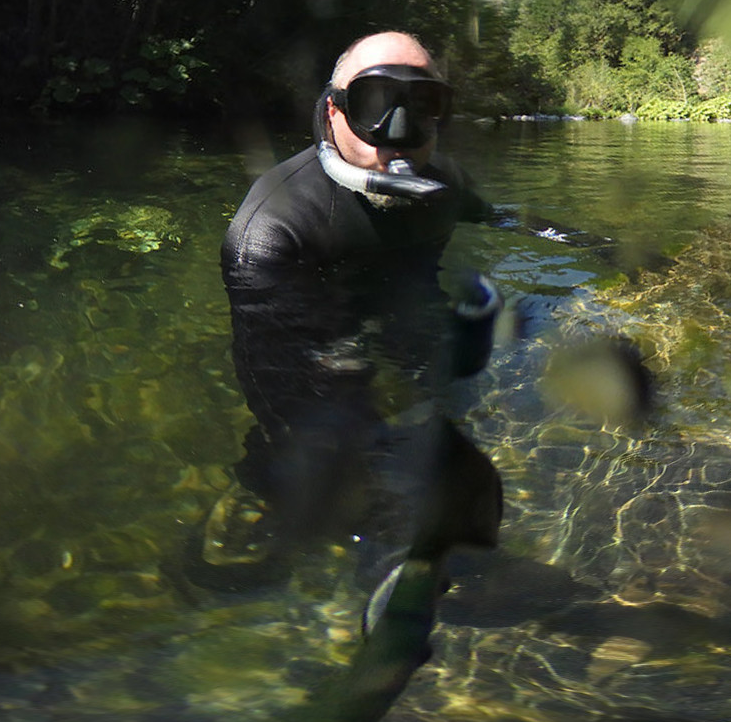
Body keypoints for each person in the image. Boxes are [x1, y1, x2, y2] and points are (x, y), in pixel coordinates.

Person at [189, 30, 499, 593]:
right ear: (332, 112)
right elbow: (274, 383)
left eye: (422, 108)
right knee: (313, 462)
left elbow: (503, 219)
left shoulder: (446, 181)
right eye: (375, 107)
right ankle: (264, 491)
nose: (398, 137)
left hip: (413, 330)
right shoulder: (271, 229)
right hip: (320, 344)